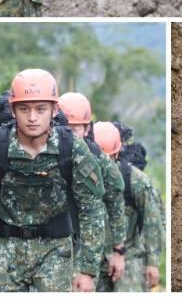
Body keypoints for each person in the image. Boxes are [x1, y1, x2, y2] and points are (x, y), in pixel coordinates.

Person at [0, 69, 105, 292]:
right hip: (5, 250)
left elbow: (91, 209)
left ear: (54, 110)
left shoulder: (72, 149)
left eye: (41, 109)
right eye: (24, 109)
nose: (32, 117)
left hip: (55, 251)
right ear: (13, 110)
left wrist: (87, 270)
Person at [58, 92, 128, 287]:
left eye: (75, 128)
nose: (69, 134)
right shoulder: (42, 152)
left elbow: (115, 201)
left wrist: (118, 250)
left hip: (84, 247)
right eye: (64, 127)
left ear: (87, 128)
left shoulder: (98, 160)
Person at [94, 122, 163, 292]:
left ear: (116, 154)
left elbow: (152, 221)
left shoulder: (135, 180)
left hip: (130, 255)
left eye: (107, 159)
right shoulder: (79, 179)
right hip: (92, 259)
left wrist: (152, 263)